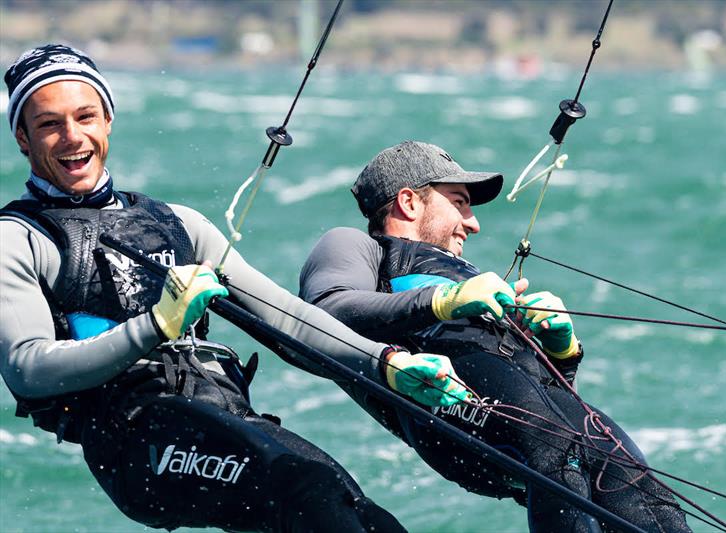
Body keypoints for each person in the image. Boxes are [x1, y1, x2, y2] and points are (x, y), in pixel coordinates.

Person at [0, 45, 470, 533]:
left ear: (108, 120)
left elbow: (283, 318)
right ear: (22, 137)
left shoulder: (178, 223)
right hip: (136, 440)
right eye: (50, 124)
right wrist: (157, 324)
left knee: (360, 514)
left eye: (86, 116)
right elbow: (28, 367)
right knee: (305, 494)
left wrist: (386, 363)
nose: (73, 137)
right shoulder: (19, 238)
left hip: (223, 414)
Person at [299, 140, 693, 532]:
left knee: (629, 471)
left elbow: (540, 391)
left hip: (528, 420)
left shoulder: (464, 275)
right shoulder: (361, 246)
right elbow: (325, 313)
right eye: (459, 201)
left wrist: (561, 350)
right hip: (446, 405)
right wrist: (447, 299)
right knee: (558, 447)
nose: (473, 223)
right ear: (409, 202)